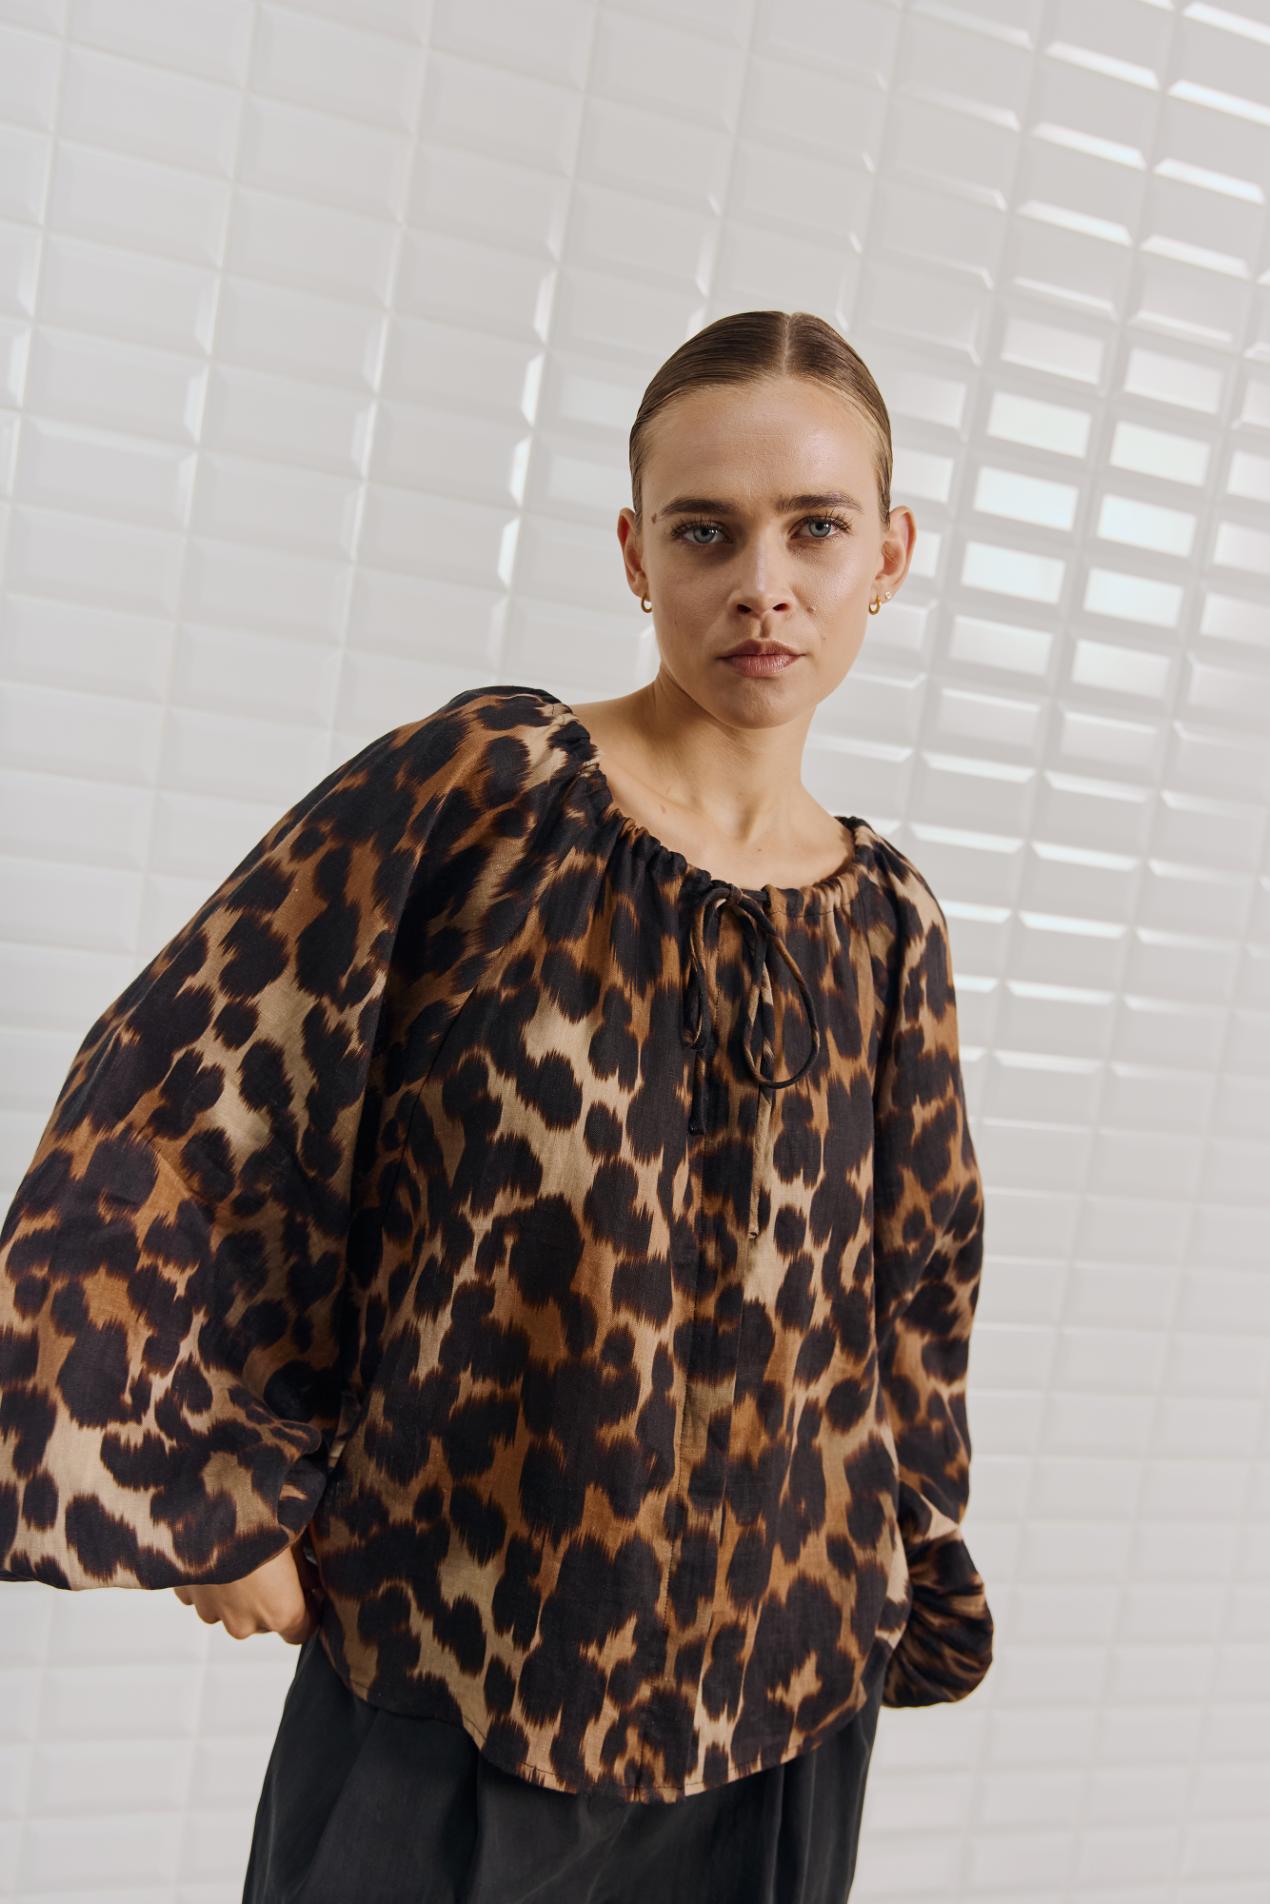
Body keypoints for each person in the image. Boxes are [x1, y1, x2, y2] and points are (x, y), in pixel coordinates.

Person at [0, 310, 993, 1903]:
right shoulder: (486, 788)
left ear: (888, 555)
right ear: (635, 553)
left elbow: (916, 1288)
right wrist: (206, 1488)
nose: (762, 583)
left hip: (786, 1699)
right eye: (705, 530)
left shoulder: (885, 922)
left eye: (814, 528)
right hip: (450, 1670)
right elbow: (177, 1102)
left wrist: (897, 1551)